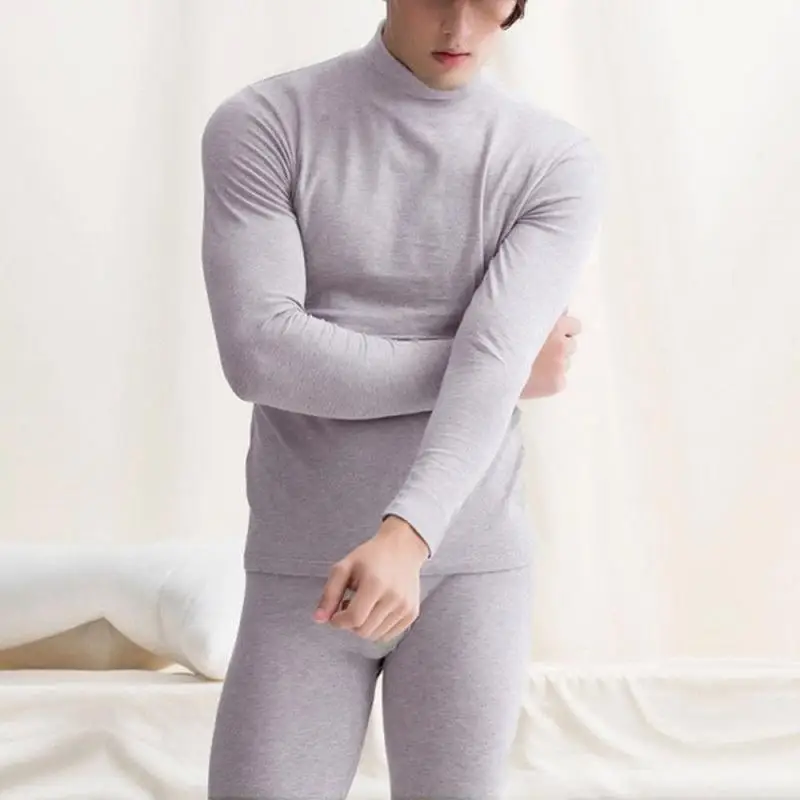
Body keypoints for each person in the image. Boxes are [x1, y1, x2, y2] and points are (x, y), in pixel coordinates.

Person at [200, 0, 604, 797]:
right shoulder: (265, 123)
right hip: (302, 567)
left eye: (484, 2)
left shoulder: (553, 159)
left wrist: (407, 535)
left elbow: (495, 352)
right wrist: (500, 369)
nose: (458, 29)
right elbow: (260, 355)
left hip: (470, 572)